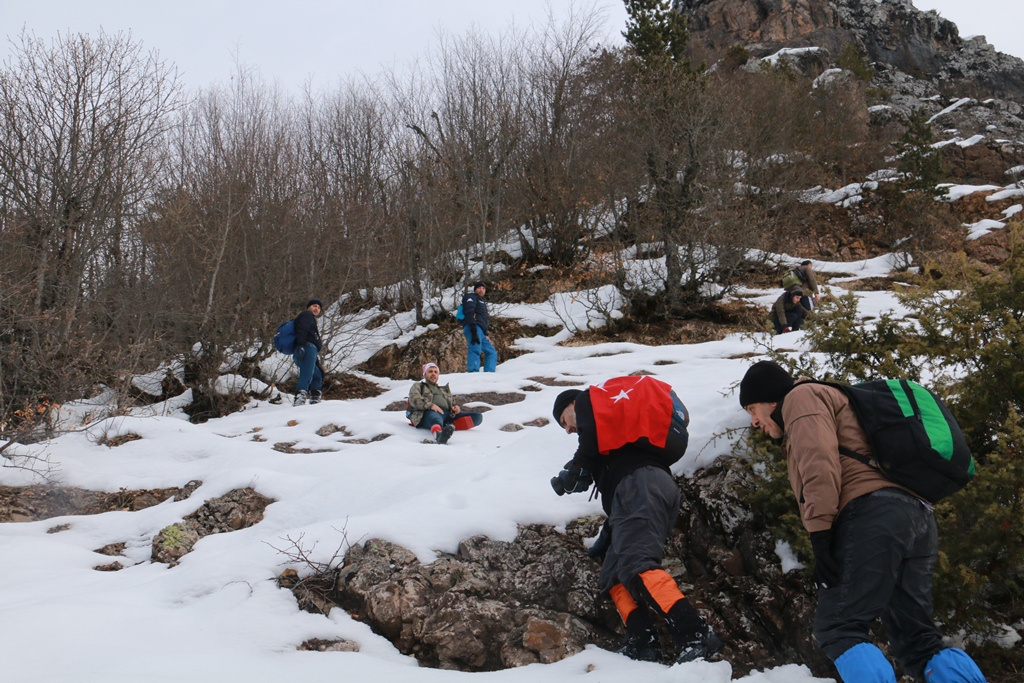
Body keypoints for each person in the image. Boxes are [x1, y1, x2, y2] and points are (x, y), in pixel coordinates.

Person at [738, 361, 986, 683]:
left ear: (772, 400)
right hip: (916, 519)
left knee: (839, 628)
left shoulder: (800, 398)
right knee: (918, 642)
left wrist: (820, 536)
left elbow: (819, 465)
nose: (754, 421)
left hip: (873, 516)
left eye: (752, 409)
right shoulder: (829, 399)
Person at [550, 376, 722, 664]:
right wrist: (607, 528)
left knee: (637, 565)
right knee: (614, 575)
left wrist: (578, 465)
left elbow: (589, 442)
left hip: (641, 487)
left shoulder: (587, 407)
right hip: (645, 491)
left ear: (574, 404)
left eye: (564, 419)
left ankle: (696, 633)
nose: (567, 429)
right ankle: (643, 642)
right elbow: (603, 463)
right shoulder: (610, 439)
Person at [407, 362, 483, 444]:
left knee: (477, 417)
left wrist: (455, 408)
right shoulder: (418, 386)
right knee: (435, 418)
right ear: (424, 375)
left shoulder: (444, 390)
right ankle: (439, 435)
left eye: (435, 372)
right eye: (430, 371)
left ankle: (450, 426)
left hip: (447, 414)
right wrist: (431, 405)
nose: (433, 374)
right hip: (427, 413)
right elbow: (414, 399)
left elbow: (452, 404)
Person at [292, 298, 325, 406]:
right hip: (307, 347)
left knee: (318, 374)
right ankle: (300, 398)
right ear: (308, 307)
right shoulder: (307, 315)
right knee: (307, 373)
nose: (317, 309)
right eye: (314, 306)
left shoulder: (311, 319)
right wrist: (301, 345)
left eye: (319, 307)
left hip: (311, 350)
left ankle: (315, 399)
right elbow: (302, 330)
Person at [462, 281, 497, 373]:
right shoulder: (471, 297)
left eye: (483, 288)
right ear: (475, 289)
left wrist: (486, 334)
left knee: (491, 352)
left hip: (481, 330)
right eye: (479, 288)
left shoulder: (482, 302)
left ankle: (489, 373)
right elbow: (469, 311)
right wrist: (473, 328)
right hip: (473, 326)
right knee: (475, 349)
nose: (481, 290)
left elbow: (483, 320)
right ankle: (473, 372)